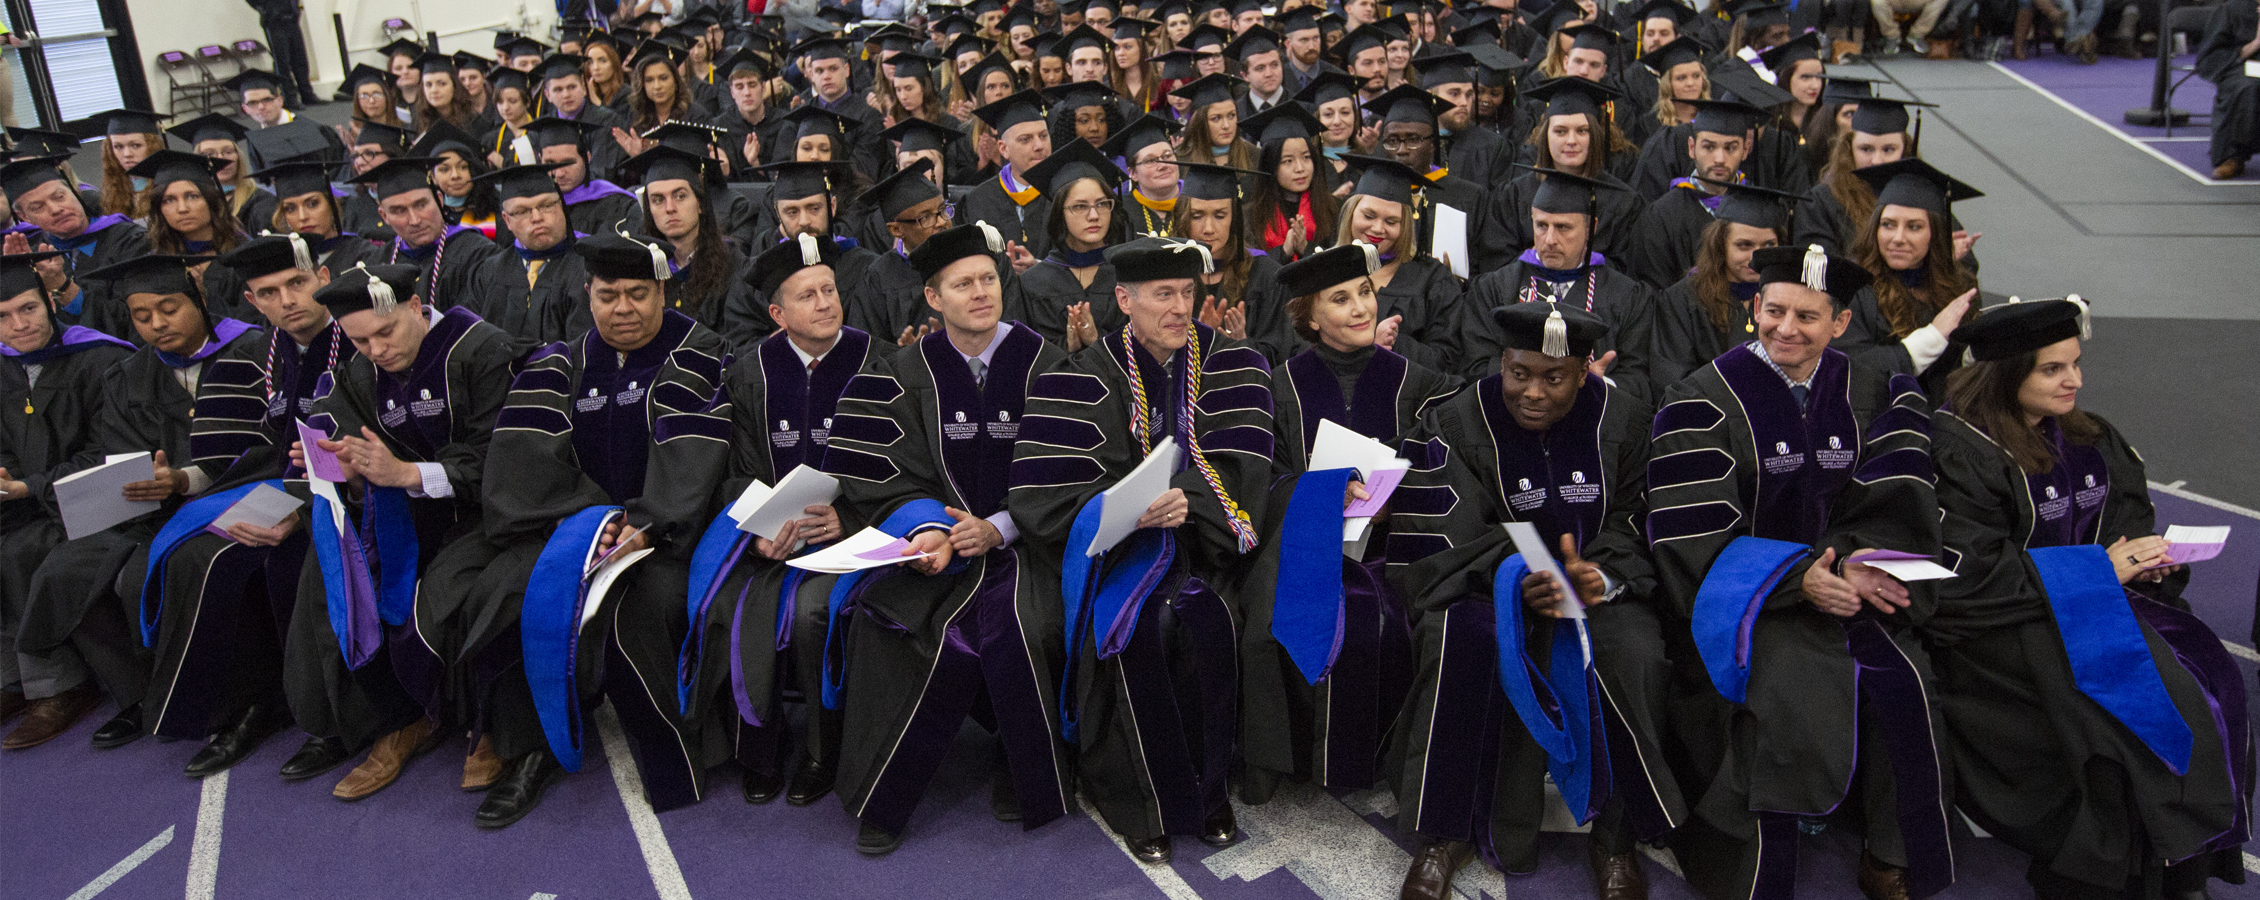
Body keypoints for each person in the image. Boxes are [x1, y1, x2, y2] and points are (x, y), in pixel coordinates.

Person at [1646, 245, 1952, 900]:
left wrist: (1863, 564)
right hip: (1751, 604)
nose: (1787, 328)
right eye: (1775, 312)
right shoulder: (1701, 399)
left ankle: (1889, 850)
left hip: (1852, 592)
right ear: (1754, 310)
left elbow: (1900, 496)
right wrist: (1795, 578)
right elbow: (1689, 532)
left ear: (1839, 324)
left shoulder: (1876, 393)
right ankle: (1756, 865)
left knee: (1912, 678)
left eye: (1807, 317)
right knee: (1789, 684)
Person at [1921, 297, 2252, 899]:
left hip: (2095, 605)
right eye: (2052, 369)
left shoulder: (2087, 436)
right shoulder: (1958, 450)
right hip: (2002, 626)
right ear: (2004, 374)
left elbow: (2129, 519)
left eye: (2074, 364)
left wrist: (2150, 565)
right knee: (2117, 717)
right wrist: (2099, 570)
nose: (2074, 380)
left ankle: (2177, 866)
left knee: (2206, 678)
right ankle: (2106, 874)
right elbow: (1970, 578)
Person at [1387, 301, 1682, 900]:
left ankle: (1615, 835)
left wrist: (1601, 577)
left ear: (1584, 372)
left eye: (1554, 378)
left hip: (1594, 586)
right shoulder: (1459, 419)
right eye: (1519, 373)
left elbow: (1637, 519)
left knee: (1636, 656)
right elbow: (1447, 532)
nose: (1532, 393)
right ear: (1502, 361)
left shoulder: (1622, 419)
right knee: (1458, 640)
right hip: (1489, 583)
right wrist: (1518, 575)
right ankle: (1446, 832)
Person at [800, 221, 1076, 854]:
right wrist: (931, 529)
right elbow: (879, 476)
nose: (979, 293)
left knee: (1029, 625)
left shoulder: (1049, 362)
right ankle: (885, 793)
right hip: (938, 547)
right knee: (888, 623)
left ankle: (1021, 760)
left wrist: (1001, 525)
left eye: (987, 279)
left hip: (1027, 545)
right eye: (962, 284)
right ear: (933, 298)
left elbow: (1069, 468)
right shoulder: (899, 373)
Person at [1010, 235, 1271, 865]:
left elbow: (1248, 467)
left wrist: (1188, 500)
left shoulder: (1237, 364)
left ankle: (1208, 793)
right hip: (1116, 557)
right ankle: (1139, 801)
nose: (1180, 308)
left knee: (1205, 621)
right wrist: (1121, 510)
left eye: (1188, 292)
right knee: (1139, 627)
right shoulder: (1081, 374)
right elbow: (1048, 490)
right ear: (1125, 299)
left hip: (1207, 550)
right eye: (1163, 295)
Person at [1235, 243, 1455, 807]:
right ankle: (1293, 759)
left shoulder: (1421, 383)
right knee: (1273, 616)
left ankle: (1378, 757)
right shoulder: (1279, 387)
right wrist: (1324, 495)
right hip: (1302, 543)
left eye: (1365, 293)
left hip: (1393, 546)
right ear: (1309, 317)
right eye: (1340, 299)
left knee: (1381, 614)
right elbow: (1266, 479)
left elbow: (1443, 473)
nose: (1361, 308)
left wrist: (1395, 501)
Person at [677, 231, 892, 808]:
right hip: (775, 538)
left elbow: (902, 463)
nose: (825, 303)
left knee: (811, 614)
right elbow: (735, 471)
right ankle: (759, 751)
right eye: (807, 296)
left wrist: (846, 516)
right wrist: (760, 528)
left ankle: (825, 754)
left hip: (855, 535)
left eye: (829, 290)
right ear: (777, 314)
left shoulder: (880, 362)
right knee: (727, 607)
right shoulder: (750, 372)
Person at [12, 258, 257, 749]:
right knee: (66, 566)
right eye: (142, 316)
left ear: (200, 302)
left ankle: (218, 700)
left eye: (169, 308)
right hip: (152, 506)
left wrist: (181, 482)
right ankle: (140, 694)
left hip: (236, 496)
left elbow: (260, 445)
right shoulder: (128, 375)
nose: (157, 324)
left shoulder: (251, 351)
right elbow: (122, 454)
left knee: (140, 576)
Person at [0, 254, 134, 743]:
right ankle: (13, 679)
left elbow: (111, 452)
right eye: (2, 315)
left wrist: (30, 487)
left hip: (99, 501)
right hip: (25, 501)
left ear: (49, 304)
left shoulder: (101, 359)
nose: (19, 324)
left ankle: (60, 687)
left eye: (28, 308)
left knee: (23, 549)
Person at [1459, 167, 1655, 403]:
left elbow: (1639, 378)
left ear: (1591, 229)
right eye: (1542, 226)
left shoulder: (1628, 296)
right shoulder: (1494, 289)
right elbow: (1475, 367)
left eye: (1563, 227)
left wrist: (1597, 385)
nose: (1550, 239)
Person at [1838, 158, 1982, 397]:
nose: (1898, 238)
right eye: (1888, 225)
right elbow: (1850, 367)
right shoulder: (1852, 287)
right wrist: (1932, 338)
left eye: (1914, 227)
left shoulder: (1961, 287)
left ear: (1934, 234)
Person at [1648, 180, 1802, 397]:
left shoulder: (1794, 298)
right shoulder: (1682, 300)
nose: (1756, 257)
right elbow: (1673, 381)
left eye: (1768, 246)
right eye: (1744, 245)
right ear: (1720, 245)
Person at [1479, 77, 1647, 272]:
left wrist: (1577, 260)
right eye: (1560, 131)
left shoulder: (1624, 202)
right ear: (1545, 135)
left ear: (1597, 135)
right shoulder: (1513, 195)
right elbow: (1495, 266)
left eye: (1582, 131)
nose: (1571, 140)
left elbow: (1629, 272)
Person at [0, 156, 153, 342]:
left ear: (74, 192)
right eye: (38, 207)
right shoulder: (36, 255)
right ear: (24, 217)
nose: (55, 209)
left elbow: (139, 320)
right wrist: (18, 281)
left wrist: (63, 288)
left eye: (59, 197)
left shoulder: (132, 241)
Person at [1622, 99, 1769, 289]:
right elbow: (1652, 294)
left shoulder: (1762, 209)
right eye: (1709, 147)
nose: (1719, 159)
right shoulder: (1661, 216)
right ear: (1691, 148)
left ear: (1745, 150)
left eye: (1730, 148)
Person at [1005, 140, 1130, 348]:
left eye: (1102, 204)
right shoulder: (1032, 283)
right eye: (1080, 206)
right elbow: (1023, 354)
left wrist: (1095, 342)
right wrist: (1067, 346)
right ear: (1059, 214)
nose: (1094, 215)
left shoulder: (1128, 276)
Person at [348, 158, 506, 318]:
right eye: (399, 211)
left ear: (439, 199)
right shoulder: (376, 263)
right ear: (384, 216)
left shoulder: (478, 254)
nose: (415, 220)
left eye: (421, 205)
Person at [1171, 162, 1293, 361]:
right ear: (1183, 218)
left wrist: (1240, 343)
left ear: (1234, 218)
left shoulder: (1266, 275)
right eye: (1197, 216)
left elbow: (1282, 354)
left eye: (1220, 215)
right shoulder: (1166, 274)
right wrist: (1197, 340)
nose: (1208, 228)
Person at [464, 163, 590, 345]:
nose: (537, 217)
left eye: (546, 205)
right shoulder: (489, 271)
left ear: (561, 206)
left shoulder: (588, 265)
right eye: (523, 211)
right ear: (506, 220)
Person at [1360, 87, 1486, 269]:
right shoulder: (1371, 196)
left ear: (1433, 145)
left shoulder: (1468, 196)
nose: (1401, 150)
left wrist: (1454, 279)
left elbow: (1485, 263)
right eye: (1392, 141)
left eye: (1413, 140)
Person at [130, 151, 253, 324]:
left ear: (211, 200)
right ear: (159, 209)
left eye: (192, 196)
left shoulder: (245, 254)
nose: (182, 208)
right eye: (169, 200)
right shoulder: (159, 262)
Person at [847, 158, 957, 344]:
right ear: (896, 230)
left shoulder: (971, 257)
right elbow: (866, 351)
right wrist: (909, 357)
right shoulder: (878, 278)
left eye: (942, 210)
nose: (941, 222)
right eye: (926, 217)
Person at [960, 91, 1058, 260]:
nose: (1039, 146)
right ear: (1003, 149)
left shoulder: (1065, 192)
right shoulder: (978, 200)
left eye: (1043, 136)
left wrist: (1039, 269)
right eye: (1025, 139)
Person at [1240, 103, 1338, 262]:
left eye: (1306, 157)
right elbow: (1248, 271)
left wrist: (1306, 248)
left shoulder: (1333, 210)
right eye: (1288, 161)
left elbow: (1339, 265)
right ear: (1271, 165)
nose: (1300, 168)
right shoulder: (1250, 217)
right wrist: (1284, 252)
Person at [250, 162, 385, 272]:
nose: (302, 217)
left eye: (312, 204)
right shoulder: (281, 263)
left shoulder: (366, 256)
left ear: (332, 204)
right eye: (290, 209)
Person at [522, 117, 642, 239]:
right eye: (549, 164)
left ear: (587, 158)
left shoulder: (614, 204)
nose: (559, 173)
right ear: (539, 159)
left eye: (568, 163)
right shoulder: (531, 206)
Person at [2195, 0, 2259, 181]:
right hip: (2241, 68)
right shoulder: (2231, 10)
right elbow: (2211, 57)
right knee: (2247, 87)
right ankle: (2232, 156)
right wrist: (2255, 44)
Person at [1106, 114, 1183, 239]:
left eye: (1167, 156)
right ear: (1132, 173)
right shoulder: (1120, 212)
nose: (1163, 165)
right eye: (1150, 161)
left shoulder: (1196, 203)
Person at [86, 109, 165, 219]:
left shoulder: (168, 186)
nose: (127, 154)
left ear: (153, 147)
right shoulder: (114, 191)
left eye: (136, 145)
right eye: (118, 147)